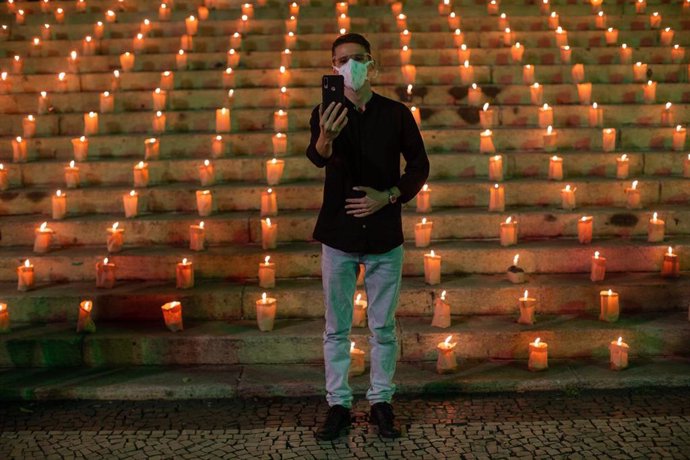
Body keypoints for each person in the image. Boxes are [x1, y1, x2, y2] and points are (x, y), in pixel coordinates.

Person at [306, 33, 429, 440]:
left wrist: (389, 196)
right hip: (339, 235)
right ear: (333, 67)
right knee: (336, 327)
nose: (351, 66)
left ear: (372, 65)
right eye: (342, 60)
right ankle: (338, 404)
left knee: (383, 327)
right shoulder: (324, 111)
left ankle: (381, 402)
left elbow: (419, 166)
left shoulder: (395, 114)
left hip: (382, 236)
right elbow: (317, 156)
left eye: (358, 59)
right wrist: (325, 135)